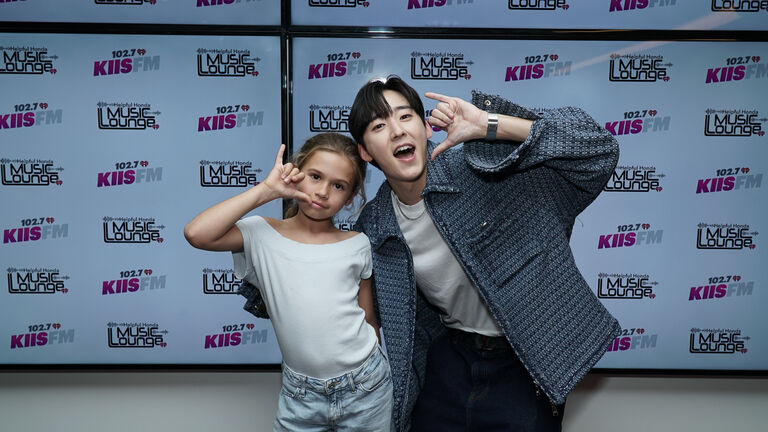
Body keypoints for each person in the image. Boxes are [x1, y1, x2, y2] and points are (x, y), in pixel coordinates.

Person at [347, 75, 621, 432]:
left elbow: (598, 149)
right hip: (448, 363)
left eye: (405, 116)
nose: (397, 131)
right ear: (365, 152)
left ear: (426, 128)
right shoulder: (375, 223)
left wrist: (490, 124)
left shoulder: (483, 167)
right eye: (379, 126)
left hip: (525, 362)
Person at [184, 133, 393, 432]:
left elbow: (369, 319)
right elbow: (196, 234)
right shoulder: (261, 234)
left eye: (338, 186)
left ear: (350, 196)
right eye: (315, 176)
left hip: (366, 386)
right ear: (296, 173)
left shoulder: (357, 244)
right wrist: (266, 190)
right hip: (300, 395)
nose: (323, 192)